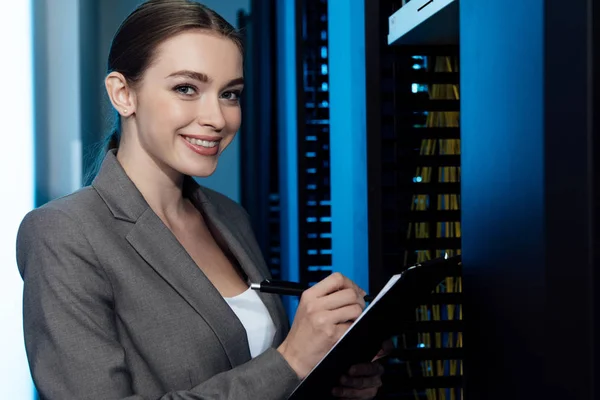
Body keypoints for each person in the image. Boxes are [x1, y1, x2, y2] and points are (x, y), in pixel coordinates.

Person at [16, 1, 386, 399]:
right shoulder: (64, 233)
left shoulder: (229, 217)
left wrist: (327, 378)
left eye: (230, 94)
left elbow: (264, 376)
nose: (218, 117)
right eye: (186, 89)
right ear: (123, 94)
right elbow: (275, 367)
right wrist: (292, 359)